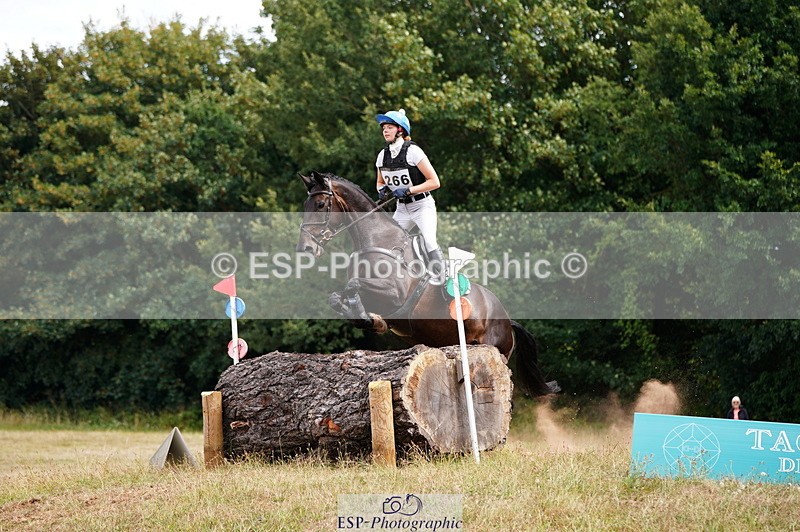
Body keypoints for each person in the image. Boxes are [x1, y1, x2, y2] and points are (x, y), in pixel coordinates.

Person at [374, 108, 444, 280]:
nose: (385, 130)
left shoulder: (414, 151)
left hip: (422, 206)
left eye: (389, 127)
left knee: (429, 241)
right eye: (383, 128)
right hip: (402, 208)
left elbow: (434, 182)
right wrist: (382, 191)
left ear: (400, 130)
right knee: (387, 244)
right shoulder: (382, 155)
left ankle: (445, 281)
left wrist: (408, 190)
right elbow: (380, 182)